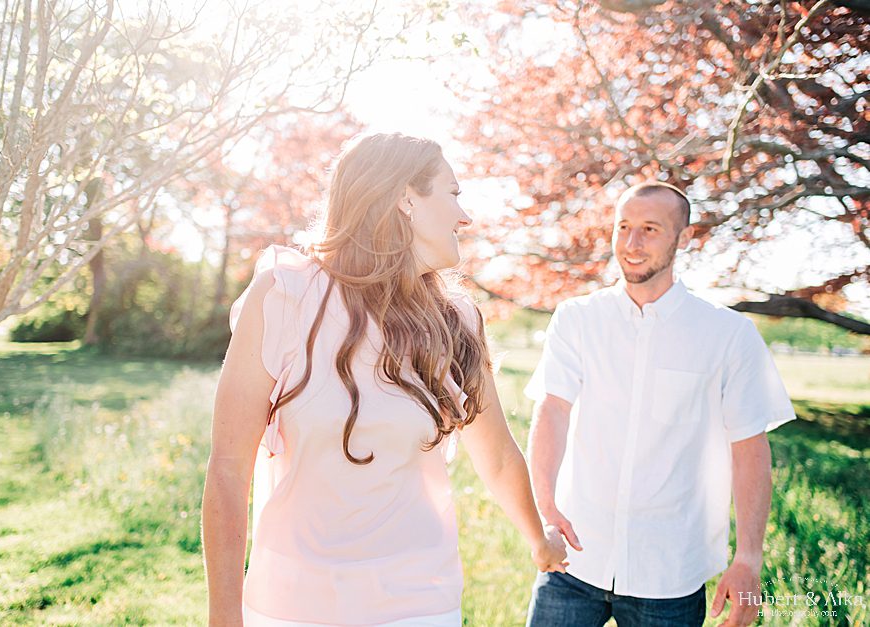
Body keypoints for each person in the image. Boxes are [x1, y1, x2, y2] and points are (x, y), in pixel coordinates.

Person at [202, 132, 568, 627]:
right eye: (454, 194)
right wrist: (225, 617)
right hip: (294, 604)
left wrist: (539, 541)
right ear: (405, 199)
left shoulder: (456, 319)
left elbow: (498, 455)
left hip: (419, 603)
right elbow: (228, 469)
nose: (466, 217)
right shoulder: (285, 294)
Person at [524, 182, 796, 627]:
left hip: (670, 572)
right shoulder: (576, 319)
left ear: (682, 239)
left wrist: (748, 556)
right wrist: (546, 510)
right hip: (573, 560)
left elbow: (749, 447)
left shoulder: (728, 334)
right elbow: (552, 410)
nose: (631, 244)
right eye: (623, 227)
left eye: (649, 229)